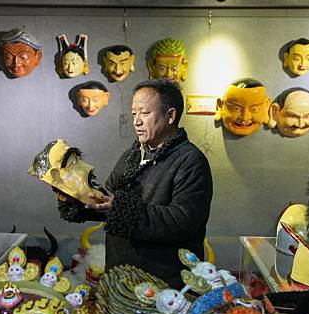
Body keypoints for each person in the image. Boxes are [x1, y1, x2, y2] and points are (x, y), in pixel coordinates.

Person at [57, 78, 213, 288]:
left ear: (170, 116)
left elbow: (181, 222)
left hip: (164, 286)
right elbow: (108, 202)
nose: (136, 121)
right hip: (120, 276)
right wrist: (75, 197)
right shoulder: (131, 155)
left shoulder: (191, 161)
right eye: (134, 113)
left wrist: (123, 209)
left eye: (145, 113)